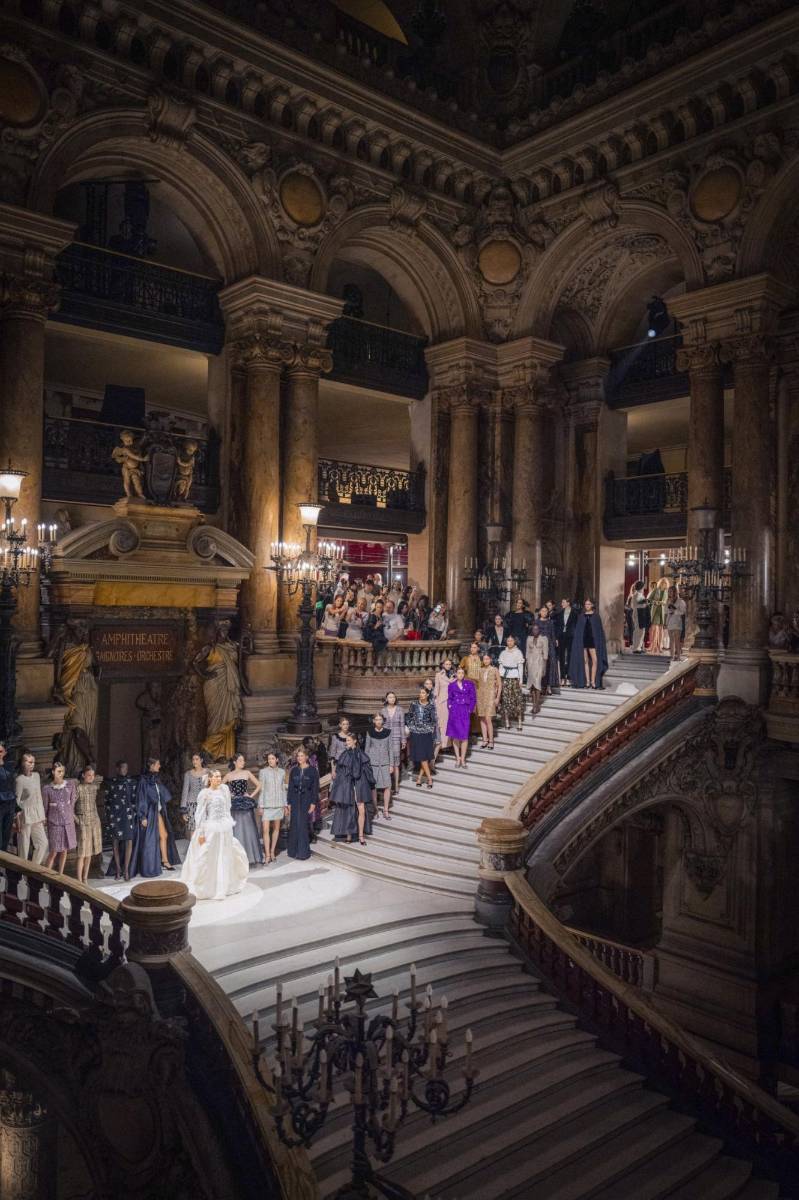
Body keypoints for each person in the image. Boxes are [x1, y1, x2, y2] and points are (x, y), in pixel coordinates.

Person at [180, 769, 249, 900]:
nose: (219, 779)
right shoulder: (205, 793)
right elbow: (200, 814)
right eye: (216, 777)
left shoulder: (224, 790)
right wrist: (201, 833)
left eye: (219, 776)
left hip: (224, 827)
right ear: (210, 779)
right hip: (211, 828)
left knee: (224, 855)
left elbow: (227, 809)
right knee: (208, 855)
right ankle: (208, 886)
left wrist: (228, 825)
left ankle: (224, 885)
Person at [131, 757, 181, 877]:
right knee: (151, 839)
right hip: (149, 812)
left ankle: (164, 860)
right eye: (158, 764)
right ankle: (154, 864)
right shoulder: (143, 780)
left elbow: (160, 794)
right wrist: (142, 816)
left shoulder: (156, 779)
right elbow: (141, 797)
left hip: (157, 811)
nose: (159, 766)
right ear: (151, 766)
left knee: (164, 835)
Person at [330, 734, 374, 845]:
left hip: (359, 785)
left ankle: (361, 836)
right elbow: (340, 772)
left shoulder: (361, 754)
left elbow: (367, 770)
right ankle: (349, 835)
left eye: (349, 740)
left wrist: (370, 783)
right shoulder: (344, 755)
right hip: (348, 785)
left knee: (361, 810)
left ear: (355, 741)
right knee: (349, 810)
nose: (347, 743)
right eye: (346, 741)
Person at [223, 753, 263, 866]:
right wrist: (229, 795)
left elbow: (259, 785)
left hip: (245, 804)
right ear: (235, 762)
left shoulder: (247, 773)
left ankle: (249, 857)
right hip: (234, 805)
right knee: (236, 830)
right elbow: (220, 788)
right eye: (240, 760)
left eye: (243, 760)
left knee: (248, 830)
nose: (243, 762)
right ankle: (236, 860)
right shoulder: (229, 775)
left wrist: (250, 796)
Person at [104, 760, 137, 880]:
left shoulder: (131, 782)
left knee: (129, 841)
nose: (125, 770)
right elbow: (107, 801)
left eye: (126, 768)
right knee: (115, 842)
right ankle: (118, 869)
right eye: (123, 768)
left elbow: (134, 800)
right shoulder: (111, 783)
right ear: (117, 769)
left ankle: (126, 870)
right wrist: (109, 817)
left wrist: (133, 814)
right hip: (114, 816)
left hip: (128, 815)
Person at [285, 747, 320, 860]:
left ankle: (303, 853)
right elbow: (290, 787)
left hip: (306, 799)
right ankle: (293, 852)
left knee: (303, 824)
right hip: (295, 799)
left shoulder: (313, 771)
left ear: (306, 757)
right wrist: (289, 802)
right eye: (298, 756)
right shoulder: (294, 770)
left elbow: (315, 788)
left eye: (301, 756)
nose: (299, 758)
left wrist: (313, 803)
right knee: (294, 824)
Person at [43, 761, 77, 874]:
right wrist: (46, 820)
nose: (61, 773)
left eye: (62, 771)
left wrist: (69, 816)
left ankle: (60, 875)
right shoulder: (47, 789)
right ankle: (46, 876)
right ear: (53, 772)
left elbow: (72, 803)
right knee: (53, 851)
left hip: (67, 822)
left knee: (64, 850)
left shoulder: (70, 785)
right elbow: (45, 807)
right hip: (54, 823)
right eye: (58, 771)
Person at [14, 751, 48, 865]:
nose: (32, 764)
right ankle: (22, 871)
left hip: (37, 815)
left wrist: (42, 816)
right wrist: (17, 819)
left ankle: (33, 869)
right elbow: (17, 801)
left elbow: (39, 797)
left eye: (33, 762)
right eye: (29, 762)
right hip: (25, 816)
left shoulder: (37, 776)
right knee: (24, 848)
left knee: (43, 843)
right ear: (23, 763)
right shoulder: (19, 780)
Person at [568, 599, 609, 689]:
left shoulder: (596, 617)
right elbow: (578, 630)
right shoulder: (581, 616)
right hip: (583, 641)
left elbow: (599, 631)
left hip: (593, 641)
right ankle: (587, 681)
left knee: (595, 660)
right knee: (585, 661)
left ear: (592, 605)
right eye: (586, 604)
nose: (587, 606)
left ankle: (593, 681)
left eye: (589, 604)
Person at [74, 762, 103, 885]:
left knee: (89, 853)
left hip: (93, 822)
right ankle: (79, 880)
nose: (91, 777)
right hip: (83, 823)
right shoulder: (78, 788)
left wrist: (97, 820)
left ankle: (85, 878)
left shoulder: (94, 788)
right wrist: (78, 821)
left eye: (92, 775)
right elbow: (70, 807)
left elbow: (94, 805)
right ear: (83, 775)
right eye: (89, 775)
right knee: (82, 853)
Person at [406, 686, 437, 788]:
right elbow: (409, 717)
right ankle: (429, 779)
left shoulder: (431, 705)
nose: (421, 694)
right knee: (422, 757)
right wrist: (411, 727)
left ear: (427, 694)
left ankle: (422, 778)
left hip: (426, 734)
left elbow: (433, 720)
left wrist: (429, 728)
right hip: (415, 734)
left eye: (423, 693)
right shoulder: (414, 704)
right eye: (420, 693)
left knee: (424, 757)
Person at [258, 751, 286, 864]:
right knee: (265, 830)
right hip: (267, 805)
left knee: (276, 829)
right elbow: (262, 789)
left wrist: (285, 804)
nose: (270, 761)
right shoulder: (263, 772)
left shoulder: (282, 772)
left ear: (277, 760)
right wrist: (261, 805)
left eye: (272, 758)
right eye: (269, 759)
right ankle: (267, 855)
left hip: (278, 804)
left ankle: (272, 851)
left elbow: (283, 789)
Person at [446, 666, 477, 768]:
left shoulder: (469, 684)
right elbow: (449, 698)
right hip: (454, 711)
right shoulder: (451, 685)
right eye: (459, 673)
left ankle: (463, 759)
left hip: (464, 711)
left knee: (464, 736)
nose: (461, 675)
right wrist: (450, 707)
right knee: (455, 736)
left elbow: (473, 698)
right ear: (456, 674)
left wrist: (469, 709)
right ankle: (457, 758)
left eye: (462, 673)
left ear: (464, 674)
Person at [364, 713, 392, 819]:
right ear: (374, 721)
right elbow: (366, 749)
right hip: (373, 764)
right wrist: (366, 765)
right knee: (373, 787)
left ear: (383, 720)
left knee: (387, 786)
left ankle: (386, 810)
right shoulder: (369, 732)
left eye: (380, 719)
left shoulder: (388, 732)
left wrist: (391, 765)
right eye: (377, 719)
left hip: (385, 763)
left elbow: (391, 749)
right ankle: (375, 810)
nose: (379, 721)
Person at [498, 635, 526, 731]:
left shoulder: (518, 652)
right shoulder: (503, 653)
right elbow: (500, 667)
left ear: (514, 642)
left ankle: (519, 723)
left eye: (511, 641)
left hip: (514, 678)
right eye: (508, 641)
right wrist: (499, 679)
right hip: (505, 679)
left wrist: (520, 680)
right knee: (506, 699)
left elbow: (520, 667)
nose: (509, 642)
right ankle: (507, 722)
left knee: (517, 700)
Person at [381, 692, 406, 794]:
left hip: (396, 738)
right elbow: (381, 726)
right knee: (387, 762)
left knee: (396, 763)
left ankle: (396, 786)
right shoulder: (383, 710)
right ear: (386, 699)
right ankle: (388, 785)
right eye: (390, 697)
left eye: (393, 697)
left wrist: (403, 740)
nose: (392, 699)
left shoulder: (400, 710)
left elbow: (402, 725)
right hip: (386, 739)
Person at [476, 653, 501, 749]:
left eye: (487, 659)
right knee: (482, 718)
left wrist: (497, 697)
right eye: (484, 659)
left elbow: (499, 684)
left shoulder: (495, 670)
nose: (485, 661)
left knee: (488, 718)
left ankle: (491, 741)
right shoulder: (480, 670)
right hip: (481, 696)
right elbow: (478, 684)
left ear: (490, 660)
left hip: (491, 696)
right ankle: (484, 740)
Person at [181, 752, 208, 837]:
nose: (194, 761)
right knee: (193, 827)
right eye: (193, 759)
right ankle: (193, 845)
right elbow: (185, 792)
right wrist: (184, 810)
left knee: (204, 827)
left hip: (204, 803)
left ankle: (203, 845)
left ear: (201, 760)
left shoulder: (207, 772)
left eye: (197, 759)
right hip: (191, 804)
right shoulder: (188, 774)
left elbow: (211, 787)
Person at [433, 658, 455, 761]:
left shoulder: (454, 675)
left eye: (449, 664)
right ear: (443, 665)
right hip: (442, 702)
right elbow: (436, 688)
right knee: (442, 724)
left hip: (452, 702)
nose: (448, 666)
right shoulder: (438, 675)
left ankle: (449, 744)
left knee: (450, 723)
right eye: (446, 664)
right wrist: (435, 702)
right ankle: (442, 745)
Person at [459, 641, 483, 736]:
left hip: (478, 686)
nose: (473, 649)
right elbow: (459, 670)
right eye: (471, 647)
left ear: (478, 649)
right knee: (468, 706)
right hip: (468, 685)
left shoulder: (481, 659)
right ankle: (467, 730)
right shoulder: (465, 659)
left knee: (477, 708)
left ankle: (476, 730)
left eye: (474, 647)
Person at [525, 624, 549, 715]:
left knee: (537, 683)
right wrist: (526, 665)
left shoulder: (544, 639)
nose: (535, 631)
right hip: (531, 663)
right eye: (533, 629)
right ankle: (534, 704)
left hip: (539, 662)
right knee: (532, 684)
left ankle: (537, 705)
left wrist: (544, 667)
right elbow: (527, 652)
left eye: (536, 629)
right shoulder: (529, 639)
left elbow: (545, 653)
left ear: (539, 630)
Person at [535, 606, 559, 693]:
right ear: (540, 612)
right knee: (539, 666)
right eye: (542, 611)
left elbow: (553, 634)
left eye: (546, 611)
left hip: (549, 645)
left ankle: (548, 687)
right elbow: (534, 634)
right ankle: (540, 686)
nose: (544, 612)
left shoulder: (550, 622)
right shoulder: (536, 622)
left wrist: (554, 643)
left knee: (549, 666)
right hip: (539, 646)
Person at [554, 598, 577, 684]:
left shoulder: (575, 613)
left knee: (570, 656)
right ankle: (562, 677)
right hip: (561, 636)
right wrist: (556, 638)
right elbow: (557, 626)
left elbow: (576, 625)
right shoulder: (560, 613)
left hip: (570, 636)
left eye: (563, 602)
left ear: (568, 603)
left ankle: (569, 676)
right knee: (561, 656)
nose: (561, 604)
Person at [626, 581, 650, 653]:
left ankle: (639, 647)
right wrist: (645, 603)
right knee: (638, 631)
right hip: (638, 614)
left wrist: (645, 603)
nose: (643, 588)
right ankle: (636, 648)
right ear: (641, 587)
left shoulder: (639, 594)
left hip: (641, 614)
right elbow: (635, 605)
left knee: (641, 631)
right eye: (643, 587)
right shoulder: (636, 595)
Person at [0, 742, 16, 852]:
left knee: (6, 838)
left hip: (10, 804)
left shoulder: (9, 766)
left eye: (0, 751)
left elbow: (12, 785)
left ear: (5, 752)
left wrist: (17, 808)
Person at [648, 577, 669, 654]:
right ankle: (652, 646)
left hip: (662, 612)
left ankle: (660, 646)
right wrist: (655, 602)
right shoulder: (656, 590)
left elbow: (665, 602)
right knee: (654, 630)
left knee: (661, 631)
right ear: (660, 583)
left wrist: (662, 603)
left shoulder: (666, 592)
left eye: (665, 583)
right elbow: (649, 599)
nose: (664, 584)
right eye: (663, 582)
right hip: (655, 611)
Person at [666, 586, 687, 662]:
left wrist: (675, 611)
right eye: (668, 591)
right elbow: (666, 612)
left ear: (675, 592)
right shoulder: (668, 601)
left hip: (678, 622)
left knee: (677, 640)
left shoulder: (680, 601)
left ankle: (678, 657)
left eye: (671, 591)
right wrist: (666, 622)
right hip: (670, 622)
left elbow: (683, 612)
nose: (669, 593)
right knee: (671, 640)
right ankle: (672, 656)